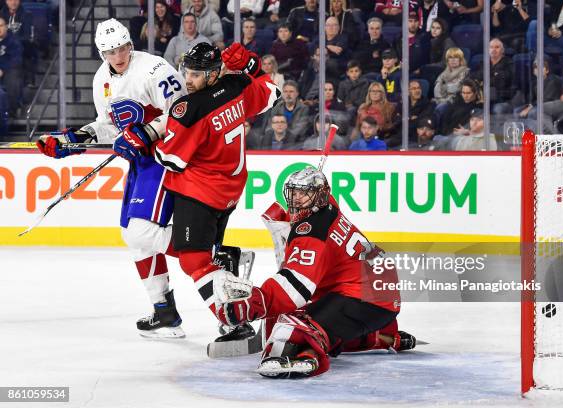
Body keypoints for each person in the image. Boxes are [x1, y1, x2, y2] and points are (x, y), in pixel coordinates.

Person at [114, 42, 281, 343]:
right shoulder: (238, 85)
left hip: (200, 191)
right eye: (186, 72)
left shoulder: (188, 109)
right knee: (194, 255)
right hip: (229, 190)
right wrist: (251, 66)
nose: (188, 80)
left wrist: (142, 141)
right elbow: (272, 92)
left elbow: (170, 160)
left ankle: (233, 320)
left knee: (193, 260)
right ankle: (220, 264)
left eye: (196, 74)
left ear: (214, 73)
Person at [36, 19, 188, 338]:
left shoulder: (155, 70)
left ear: (131, 44)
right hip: (142, 161)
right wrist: (72, 140)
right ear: (101, 52)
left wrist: (145, 133)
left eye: (122, 48)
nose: (118, 56)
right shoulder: (101, 79)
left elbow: (182, 112)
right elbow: (108, 125)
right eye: (110, 52)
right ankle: (164, 310)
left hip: (168, 155)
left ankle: (210, 252)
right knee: (133, 238)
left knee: (142, 231)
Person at [211, 168, 416, 378]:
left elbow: (295, 288)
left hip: (364, 298)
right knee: (323, 325)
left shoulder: (311, 230)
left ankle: (305, 356)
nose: (297, 198)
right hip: (379, 296)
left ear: (320, 194)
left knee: (292, 325)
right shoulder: (328, 207)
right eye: (294, 192)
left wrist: (255, 303)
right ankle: (381, 336)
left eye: (304, 192)